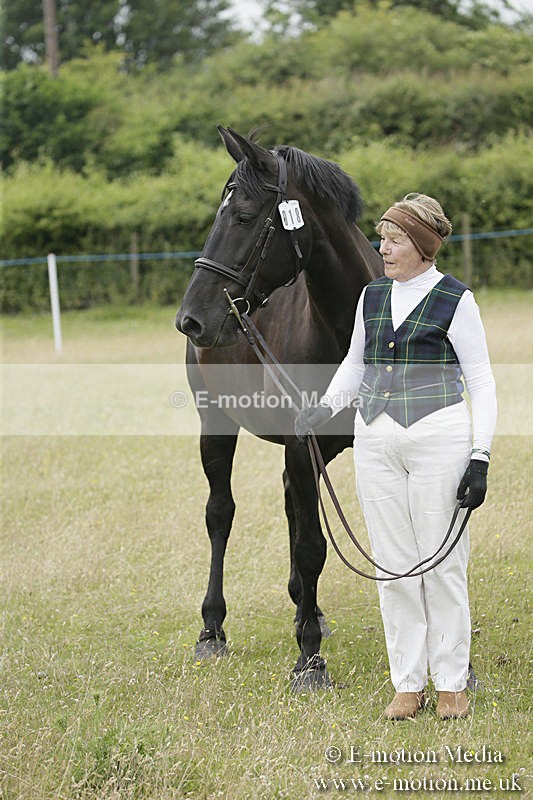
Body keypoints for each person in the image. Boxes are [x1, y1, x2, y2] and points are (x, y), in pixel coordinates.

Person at [294, 193, 497, 720]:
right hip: (375, 443)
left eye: (394, 239)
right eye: (382, 237)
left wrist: (481, 457)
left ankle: (451, 682)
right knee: (394, 569)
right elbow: (354, 366)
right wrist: (322, 410)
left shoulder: (457, 300)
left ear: (423, 247)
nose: (382, 247)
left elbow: (481, 383)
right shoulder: (371, 297)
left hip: (440, 438)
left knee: (443, 566)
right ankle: (408, 683)